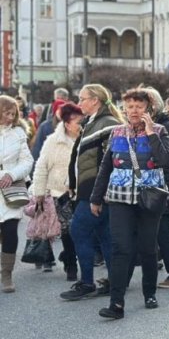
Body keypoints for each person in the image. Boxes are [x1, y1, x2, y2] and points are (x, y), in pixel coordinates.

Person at [90, 89, 169, 319]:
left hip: (150, 198)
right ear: (124, 108)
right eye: (130, 106)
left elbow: (165, 160)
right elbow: (106, 167)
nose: (134, 110)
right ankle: (116, 303)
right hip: (119, 197)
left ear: (149, 109)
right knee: (120, 249)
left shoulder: (160, 131)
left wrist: (149, 133)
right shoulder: (116, 132)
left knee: (147, 248)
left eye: (139, 106)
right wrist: (96, 198)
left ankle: (149, 293)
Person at [60, 85, 123, 301]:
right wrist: (73, 183)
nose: (79, 103)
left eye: (83, 98)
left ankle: (86, 282)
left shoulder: (107, 123)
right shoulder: (93, 122)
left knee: (78, 231)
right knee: (104, 234)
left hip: (96, 190)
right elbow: (81, 158)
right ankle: (115, 281)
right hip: (89, 189)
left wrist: (101, 193)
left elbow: (112, 162)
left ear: (95, 100)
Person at [32, 102, 84, 280]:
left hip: (83, 191)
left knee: (81, 230)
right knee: (68, 231)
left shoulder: (86, 138)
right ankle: (71, 264)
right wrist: (39, 192)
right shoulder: (53, 141)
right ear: (67, 123)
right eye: (78, 121)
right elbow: (41, 166)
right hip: (60, 192)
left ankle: (73, 257)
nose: (81, 125)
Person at [142, 88, 169, 289]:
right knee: (157, 230)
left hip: (164, 186)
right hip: (154, 185)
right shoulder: (152, 124)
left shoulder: (165, 126)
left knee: (162, 230)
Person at [0, 96, 35, 292]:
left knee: (11, 232)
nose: (10, 117)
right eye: (6, 113)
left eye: (13, 114)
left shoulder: (18, 133)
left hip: (11, 190)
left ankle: (7, 274)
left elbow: (27, 161)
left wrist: (11, 174)